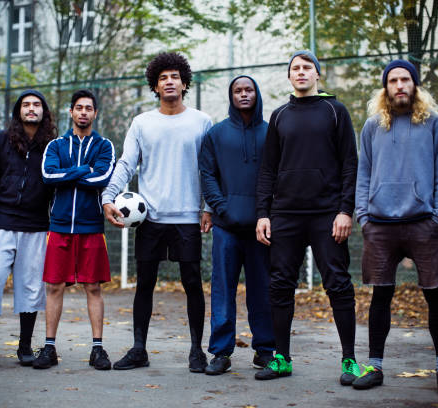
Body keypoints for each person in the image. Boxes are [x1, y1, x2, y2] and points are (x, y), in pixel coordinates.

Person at [352, 60, 438, 395]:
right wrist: (363, 217)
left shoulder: (434, 123)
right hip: (380, 226)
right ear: (386, 87)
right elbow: (364, 173)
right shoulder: (372, 126)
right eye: (393, 80)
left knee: (435, 295)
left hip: (422, 224)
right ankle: (375, 366)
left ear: (415, 85)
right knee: (380, 296)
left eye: (405, 79)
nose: (399, 85)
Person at [102, 52, 213, 373]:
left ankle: (196, 351)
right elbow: (126, 164)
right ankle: (139, 349)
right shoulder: (142, 123)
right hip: (149, 218)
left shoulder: (202, 121)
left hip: (188, 219)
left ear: (184, 82)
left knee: (192, 283)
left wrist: (208, 207)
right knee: (145, 284)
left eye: (174, 76)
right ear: (155, 85)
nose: (169, 82)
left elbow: (210, 169)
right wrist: (108, 196)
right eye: (162, 77)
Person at [255, 50, 360, 383]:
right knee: (281, 285)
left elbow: (350, 164)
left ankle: (349, 360)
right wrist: (263, 213)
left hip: (327, 214)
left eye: (306, 68)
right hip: (285, 214)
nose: (301, 72)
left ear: (318, 74)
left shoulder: (335, 111)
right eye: (295, 68)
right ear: (289, 77)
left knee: (338, 284)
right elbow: (268, 169)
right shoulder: (280, 115)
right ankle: (282, 358)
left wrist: (346, 209)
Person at [0, 90, 56, 369]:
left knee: (31, 288)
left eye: (37, 105)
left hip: (36, 227)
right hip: (0, 224)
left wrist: (54, 225)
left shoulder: (53, 145)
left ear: (44, 111)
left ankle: (25, 346)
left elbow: (56, 187)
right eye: (26, 105)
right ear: (19, 111)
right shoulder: (0, 141)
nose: (31, 109)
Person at [33, 89, 115, 370]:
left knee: (93, 287)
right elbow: (48, 176)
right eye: (78, 107)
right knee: (54, 286)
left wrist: (69, 174)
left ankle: (97, 349)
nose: (83, 112)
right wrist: (83, 170)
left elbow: (103, 177)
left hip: (91, 226)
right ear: (71, 112)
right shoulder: (55, 145)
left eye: (88, 108)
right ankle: (49, 348)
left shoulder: (104, 145)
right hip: (59, 226)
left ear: (94, 113)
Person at [199, 75, 275, 375]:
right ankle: (220, 353)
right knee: (222, 290)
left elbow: (277, 178)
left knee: (262, 290)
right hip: (226, 226)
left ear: (257, 94)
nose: (243, 94)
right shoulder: (216, 134)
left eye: (249, 90)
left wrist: (266, 214)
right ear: (231, 96)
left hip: (260, 228)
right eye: (237, 90)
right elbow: (207, 174)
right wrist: (221, 208)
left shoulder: (272, 133)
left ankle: (265, 350)